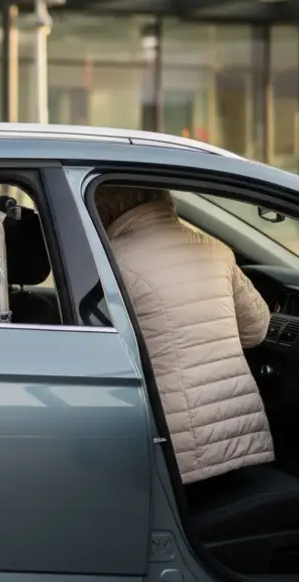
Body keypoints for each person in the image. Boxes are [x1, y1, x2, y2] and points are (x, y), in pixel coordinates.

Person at [95, 185, 274, 484]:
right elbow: (256, 331)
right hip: (239, 441)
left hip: (172, 457)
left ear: (108, 207)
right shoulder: (216, 250)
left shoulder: (111, 262)